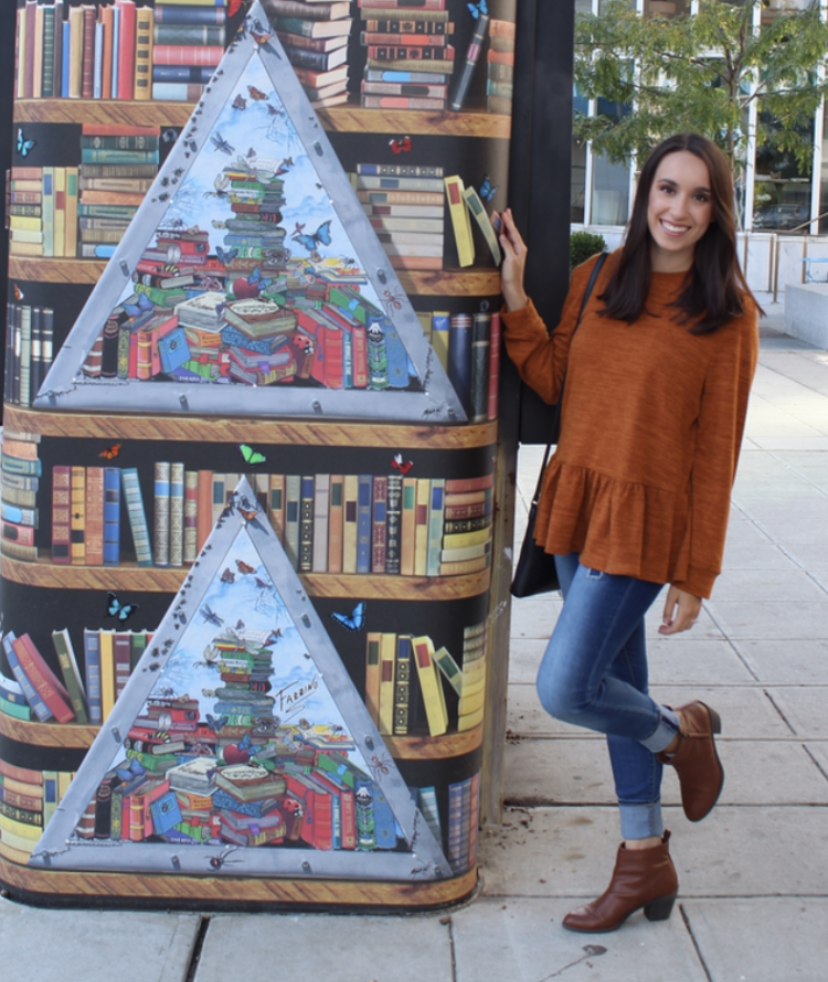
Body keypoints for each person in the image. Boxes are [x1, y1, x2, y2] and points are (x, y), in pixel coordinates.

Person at [494, 133, 759, 933]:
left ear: (717, 212)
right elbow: (553, 378)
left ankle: (683, 736)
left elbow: (716, 457)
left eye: (699, 196)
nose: (680, 209)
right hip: (576, 508)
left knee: (566, 688)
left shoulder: (727, 314)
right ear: (645, 195)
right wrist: (515, 294)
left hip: (644, 527)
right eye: (668, 190)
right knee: (616, 688)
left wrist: (696, 575)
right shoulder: (599, 278)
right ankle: (643, 858)